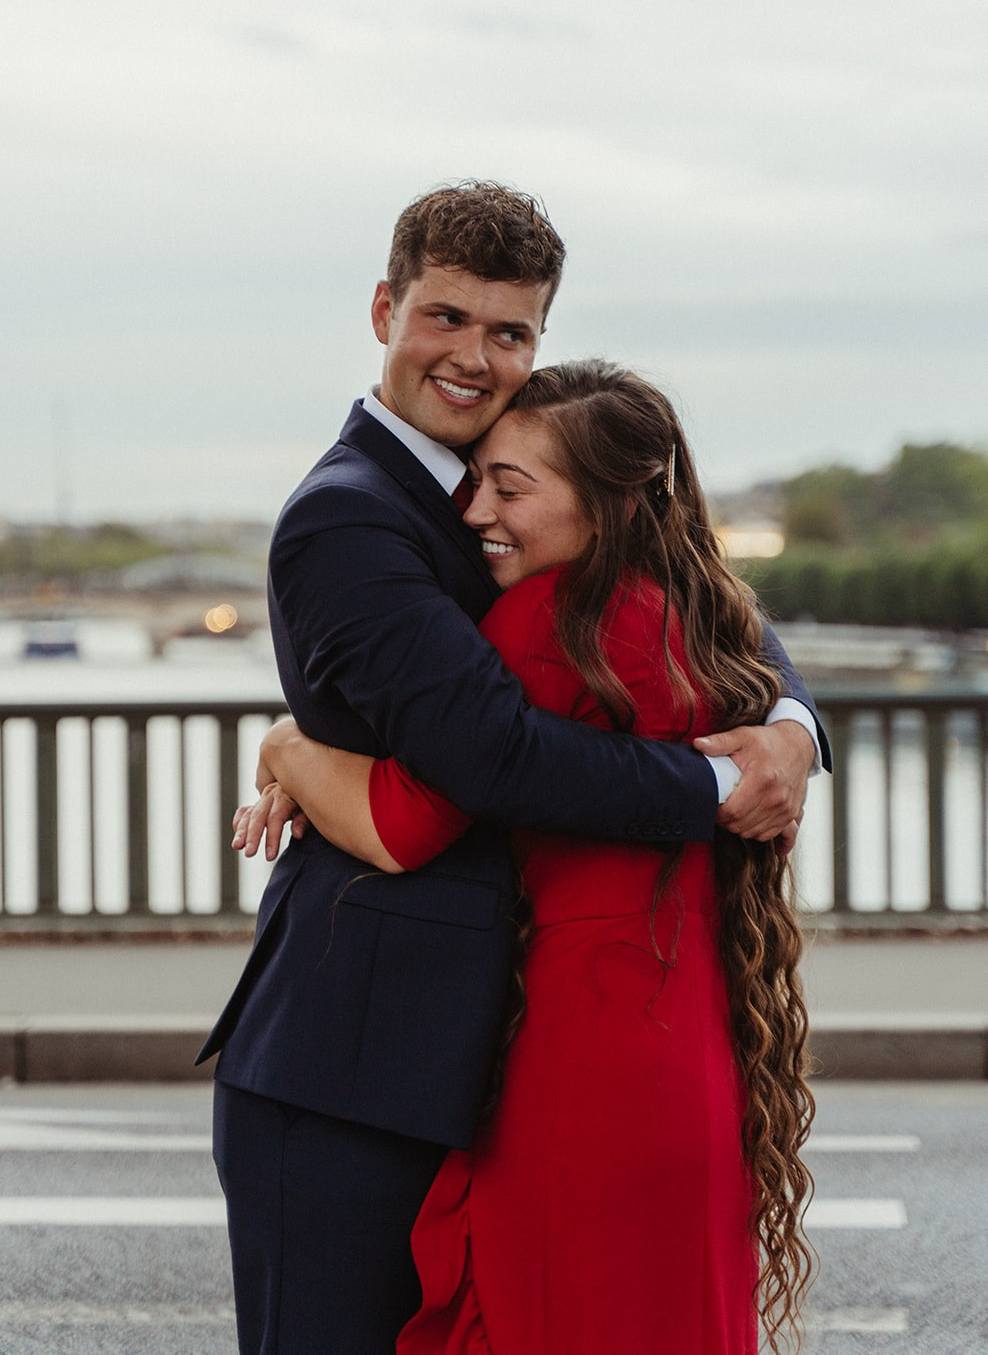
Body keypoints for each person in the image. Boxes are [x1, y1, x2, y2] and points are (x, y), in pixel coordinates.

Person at [198, 183, 825, 1355]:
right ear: (383, 309)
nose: (473, 357)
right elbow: (490, 753)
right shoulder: (351, 517)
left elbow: (691, 591)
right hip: (351, 1067)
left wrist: (788, 722)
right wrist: (715, 787)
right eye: (443, 317)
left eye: (509, 331)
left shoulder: (503, 487)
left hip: (485, 1062)